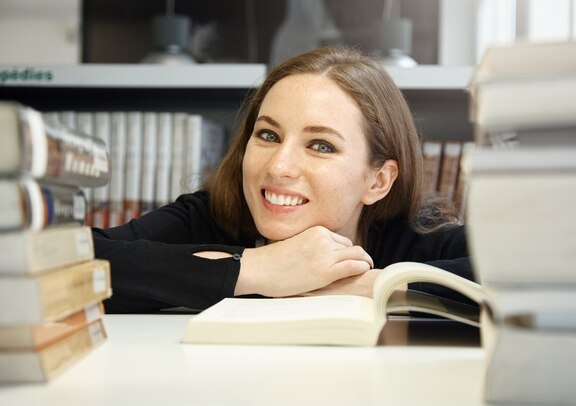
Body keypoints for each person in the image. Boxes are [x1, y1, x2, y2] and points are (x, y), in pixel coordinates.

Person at [94, 46, 474, 313]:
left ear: (378, 181)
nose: (279, 167)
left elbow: (525, 275)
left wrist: (372, 285)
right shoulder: (210, 216)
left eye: (321, 145)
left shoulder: (415, 238)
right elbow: (73, 264)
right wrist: (257, 269)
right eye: (268, 135)